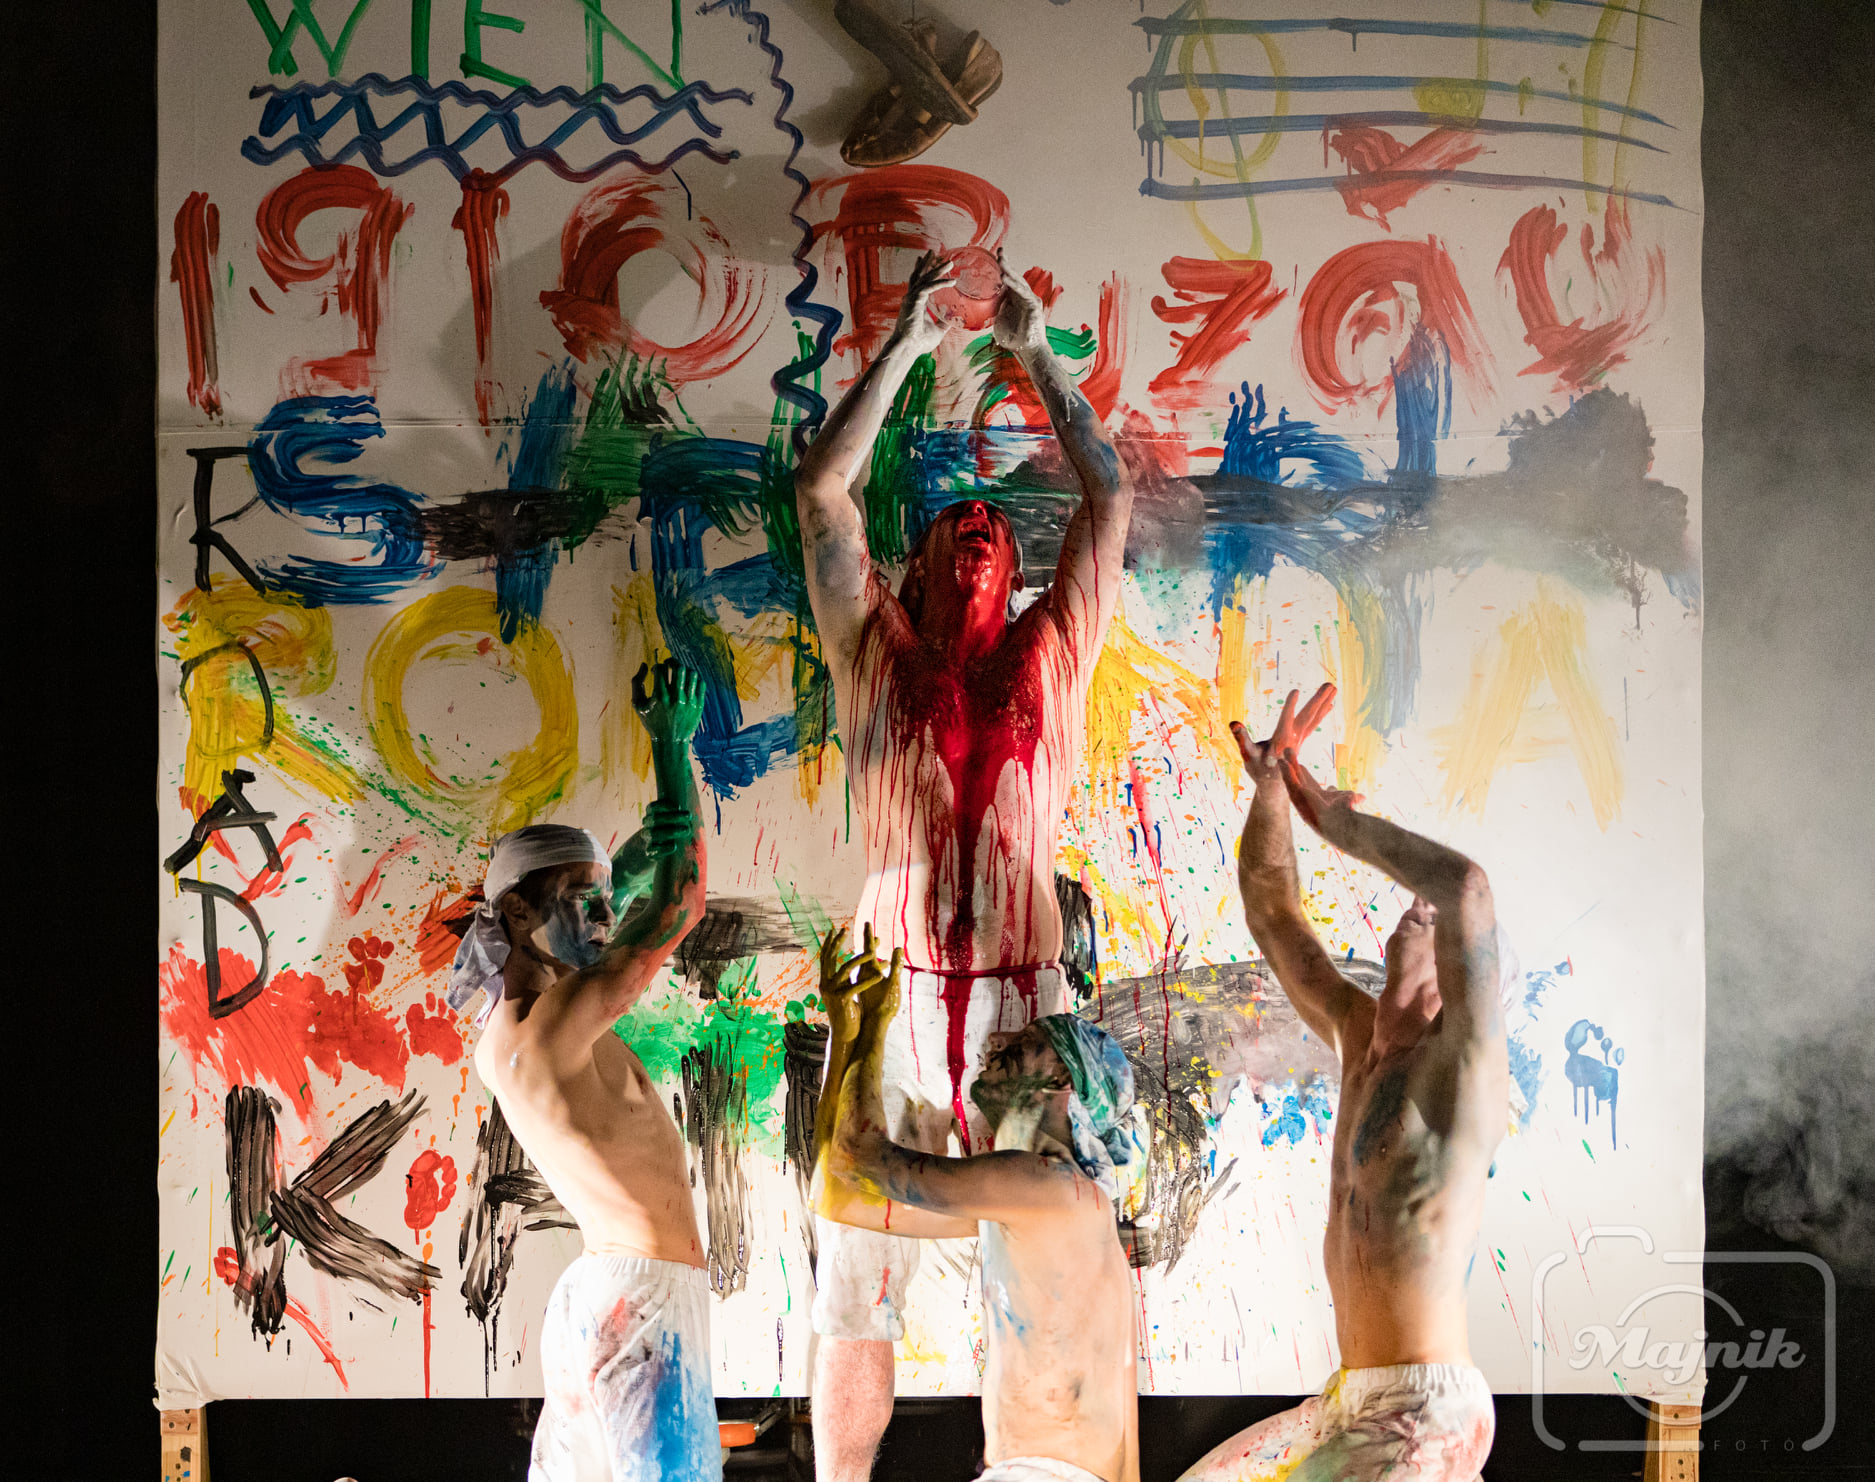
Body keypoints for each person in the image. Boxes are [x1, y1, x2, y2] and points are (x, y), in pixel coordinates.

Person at [794, 249, 1133, 1480]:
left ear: (1018, 572)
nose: (979, 521)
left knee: (1036, 1267)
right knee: (856, 1271)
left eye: (994, 520)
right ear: (919, 566)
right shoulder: (875, 651)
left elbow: (1108, 497)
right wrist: (902, 345)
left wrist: (1038, 359)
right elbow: (822, 490)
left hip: (1023, 1008)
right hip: (888, 996)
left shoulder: (1054, 649)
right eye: (954, 521)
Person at [1178, 684, 1508, 1480]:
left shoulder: (1461, 1070)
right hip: (1352, 1396)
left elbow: (1464, 886)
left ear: (1455, 977)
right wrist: (1270, 790)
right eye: (1413, 906)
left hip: (1425, 1412)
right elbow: (1272, 914)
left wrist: (1334, 821)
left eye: (1430, 914)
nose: (1416, 907)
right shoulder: (1354, 1031)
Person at [450, 659, 717, 1482]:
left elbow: (576, 925)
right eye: (584, 898)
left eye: (605, 897)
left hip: (596, 1296)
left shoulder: (506, 1028)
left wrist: (616, 864)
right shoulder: (560, 1021)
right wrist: (671, 745)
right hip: (643, 1303)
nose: (606, 916)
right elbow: (680, 904)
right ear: (518, 911)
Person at [812, 926, 1141, 1482]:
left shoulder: (1046, 1187)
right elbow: (834, 1193)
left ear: (1061, 1075)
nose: (994, 1044)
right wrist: (845, 1035)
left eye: (1026, 1040)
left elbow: (855, 1155)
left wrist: (874, 1027)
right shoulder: (1032, 1206)